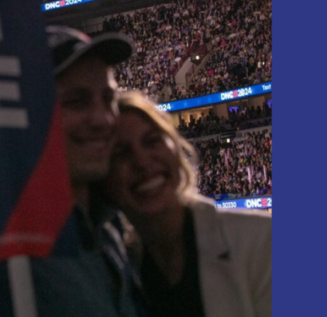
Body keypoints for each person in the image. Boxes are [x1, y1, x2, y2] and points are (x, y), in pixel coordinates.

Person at [0, 27, 144, 317]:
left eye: (109, 98)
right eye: (76, 101)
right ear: (25, 116)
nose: (103, 119)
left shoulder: (109, 232)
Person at [104, 91, 271, 317]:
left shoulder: (261, 241)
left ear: (175, 148)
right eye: (121, 153)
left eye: (152, 141)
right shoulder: (114, 272)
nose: (142, 161)